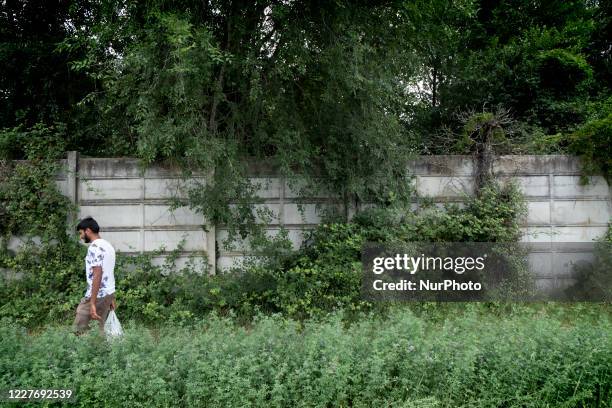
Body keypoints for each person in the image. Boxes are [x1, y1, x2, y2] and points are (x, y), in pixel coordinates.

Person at [73, 217, 117, 334]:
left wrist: (92, 302)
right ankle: (100, 351)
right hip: (107, 294)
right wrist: (111, 297)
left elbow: (98, 274)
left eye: (81, 233)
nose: (81, 237)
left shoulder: (94, 247)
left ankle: (74, 351)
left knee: (78, 328)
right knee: (98, 328)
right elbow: (109, 272)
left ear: (88, 231)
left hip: (98, 295)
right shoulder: (108, 246)